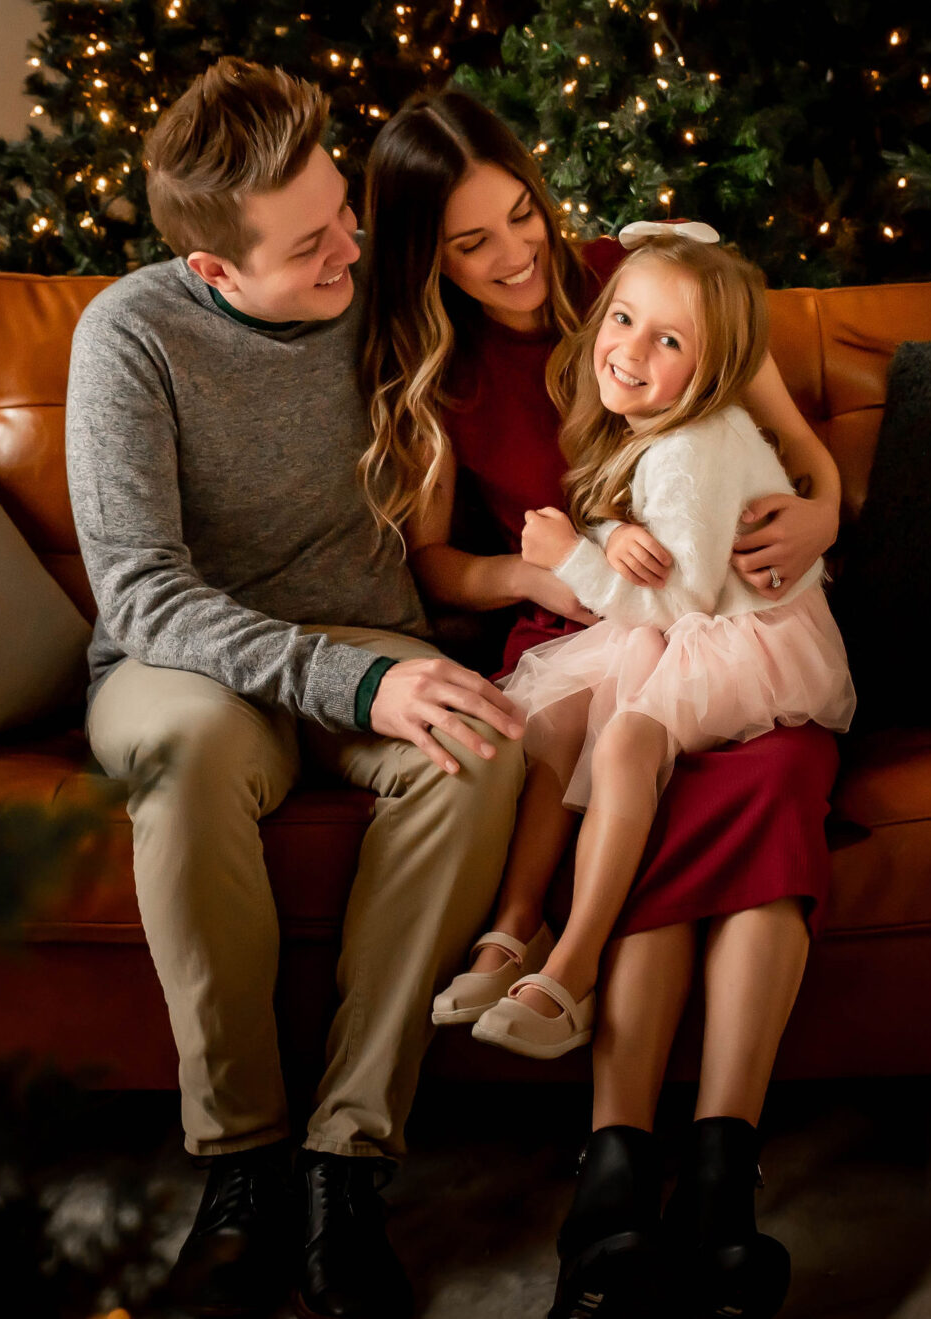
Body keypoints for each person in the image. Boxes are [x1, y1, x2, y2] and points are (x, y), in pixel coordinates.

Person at [357, 92, 846, 1319]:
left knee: (772, 780)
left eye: (521, 214)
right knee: (614, 770)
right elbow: (437, 566)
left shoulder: (637, 278)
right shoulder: (435, 373)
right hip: (583, 641)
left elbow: (792, 439)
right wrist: (542, 568)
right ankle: (616, 1180)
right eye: (472, 244)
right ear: (424, 254)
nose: (517, 256)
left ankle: (721, 1181)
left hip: (730, 637)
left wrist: (826, 509)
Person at [67, 60, 528, 1319]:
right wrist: (354, 679)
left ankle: (345, 1164)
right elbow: (143, 591)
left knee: (482, 743)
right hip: (182, 660)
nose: (352, 246)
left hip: (366, 636)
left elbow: (556, 274)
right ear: (217, 269)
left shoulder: (383, 291)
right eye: (313, 242)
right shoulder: (134, 334)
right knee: (191, 753)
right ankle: (240, 1170)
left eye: (346, 210)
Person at [470, 224, 856, 1065]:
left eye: (667, 340)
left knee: (627, 742)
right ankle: (514, 927)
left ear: (711, 369)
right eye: (622, 320)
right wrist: (607, 538)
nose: (629, 349)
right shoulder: (657, 427)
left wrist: (570, 553)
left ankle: (570, 965)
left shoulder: (692, 446)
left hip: (743, 637)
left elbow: (678, 601)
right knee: (563, 716)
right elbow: (658, 532)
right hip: (687, 619)